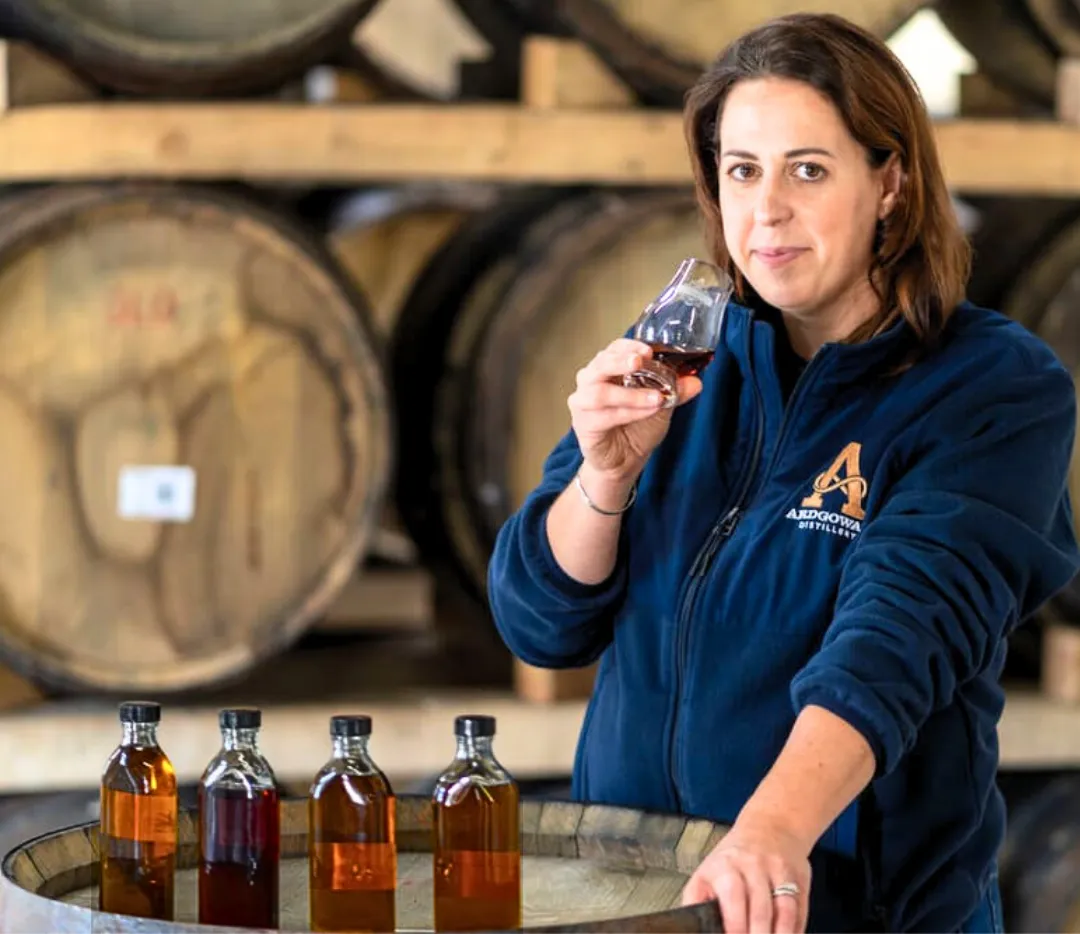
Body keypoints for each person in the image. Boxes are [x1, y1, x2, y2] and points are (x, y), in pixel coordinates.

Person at [486, 11, 1080, 934]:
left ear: (891, 182)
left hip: (851, 910)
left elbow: (898, 639)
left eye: (809, 168)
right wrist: (603, 481)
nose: (767, 209)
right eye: (742, 170)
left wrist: (769, 836)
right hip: (639, 900)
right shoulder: (683, 359)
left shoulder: (989, 387)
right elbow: (539, 623)